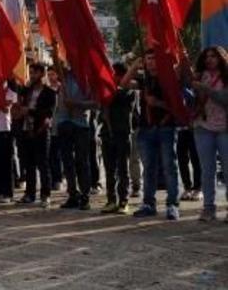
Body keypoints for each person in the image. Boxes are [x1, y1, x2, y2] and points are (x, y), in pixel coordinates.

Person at [129, 50, 182, 220]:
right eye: (148, 59)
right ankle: (148, 203)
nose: (151, 62)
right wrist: (133, 67)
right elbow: (123, 84)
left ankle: (172, 204)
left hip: (166, 127)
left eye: (154, 58)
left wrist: (158, 103)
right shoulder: (144, 80)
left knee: (169, 167)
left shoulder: (169, 79)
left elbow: (176, 106)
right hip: (146, 129)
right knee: (149, 169)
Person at [191, 46, 228, 222]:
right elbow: (189, 98)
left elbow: (224, 99)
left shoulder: (226, 76)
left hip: (224, 128)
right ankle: (208, 208)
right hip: (203, 126)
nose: (210, 59)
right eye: (207, 56)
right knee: (207, 170)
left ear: (221, 58)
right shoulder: (198, 75)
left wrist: (206, 89)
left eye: (214, 56)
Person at [56, 69, 97, 210]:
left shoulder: (88, 78)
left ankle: (85, 195)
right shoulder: (63, 75)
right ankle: (73, 194)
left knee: (82, 161)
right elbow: (56, 63)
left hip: (81, 124)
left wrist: (77, 104)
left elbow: (96, 103)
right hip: (64, 122)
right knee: (67, 162)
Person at [16, 63, 57, 207]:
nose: (32, 75)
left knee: (43, 164)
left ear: (41, 74)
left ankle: (45, 195)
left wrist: (30, 111)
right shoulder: (26, 91)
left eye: (34, 73)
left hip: (41, 131)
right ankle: (29, 194)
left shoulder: (49, 93)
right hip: (26, 130)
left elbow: (48, 113)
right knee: (29, 164)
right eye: (30, 73)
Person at [100, 63, 137, 214]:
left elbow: (115, 97)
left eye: (114, 74)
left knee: (122, 169)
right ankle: (111, 200)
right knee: (109, 169)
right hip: (107, 134)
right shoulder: (106, 91)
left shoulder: (128, 92)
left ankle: (123, 200)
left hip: (122, 134)